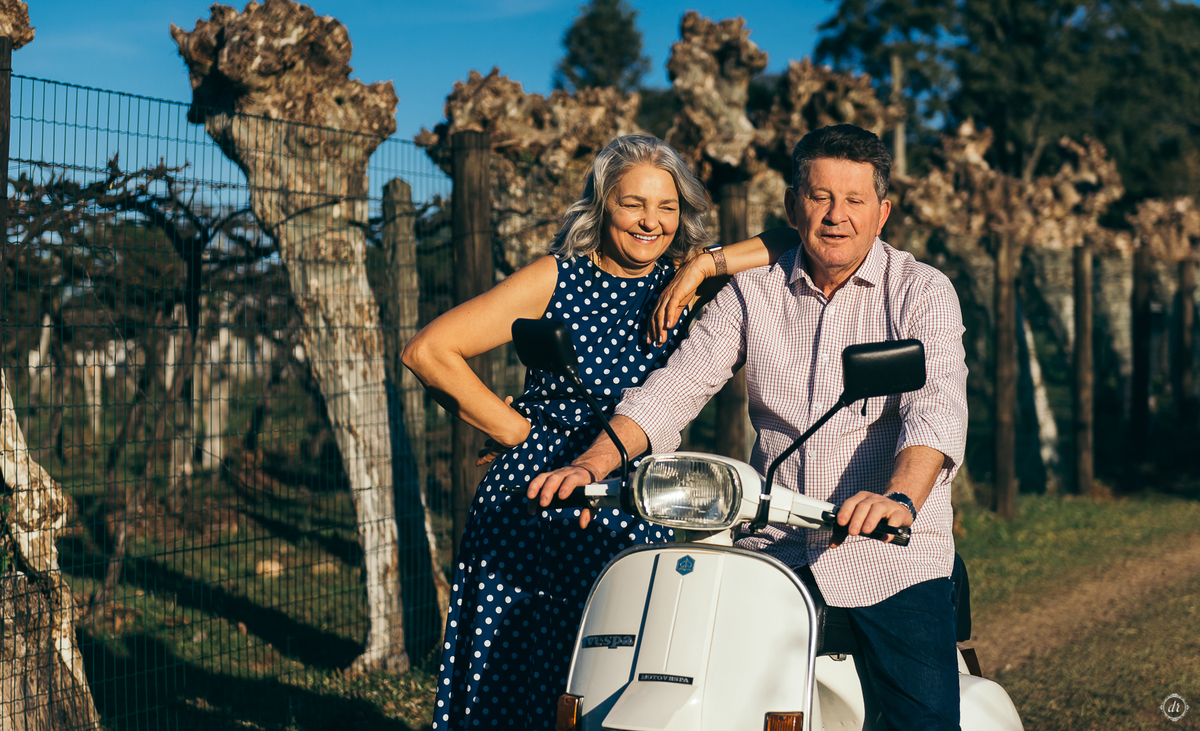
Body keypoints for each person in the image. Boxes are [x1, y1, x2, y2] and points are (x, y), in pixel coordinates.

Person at [530, 124, 969, 731]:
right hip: (773, 551)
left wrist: (898, 497)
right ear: (792, 206)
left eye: (855, 200)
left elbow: (935, 407)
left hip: (888, 556)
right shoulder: (751, 291)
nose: (836, 216)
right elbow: (676, 387)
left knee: (922, 724)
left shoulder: (921, 291)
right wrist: (592, 462)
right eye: (820, 197)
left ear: (882, 212)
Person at [404, 135, 727, 730]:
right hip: (541, 493)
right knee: (515, 661)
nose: (651, 222)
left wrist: (706, 263)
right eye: (633, 204)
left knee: (621, 672)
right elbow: (429, 350)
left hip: (641, 494)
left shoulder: (690, 282)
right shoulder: (556, 277)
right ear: (601, 205)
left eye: (667, 206)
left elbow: (796, 240)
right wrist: (513, 429)